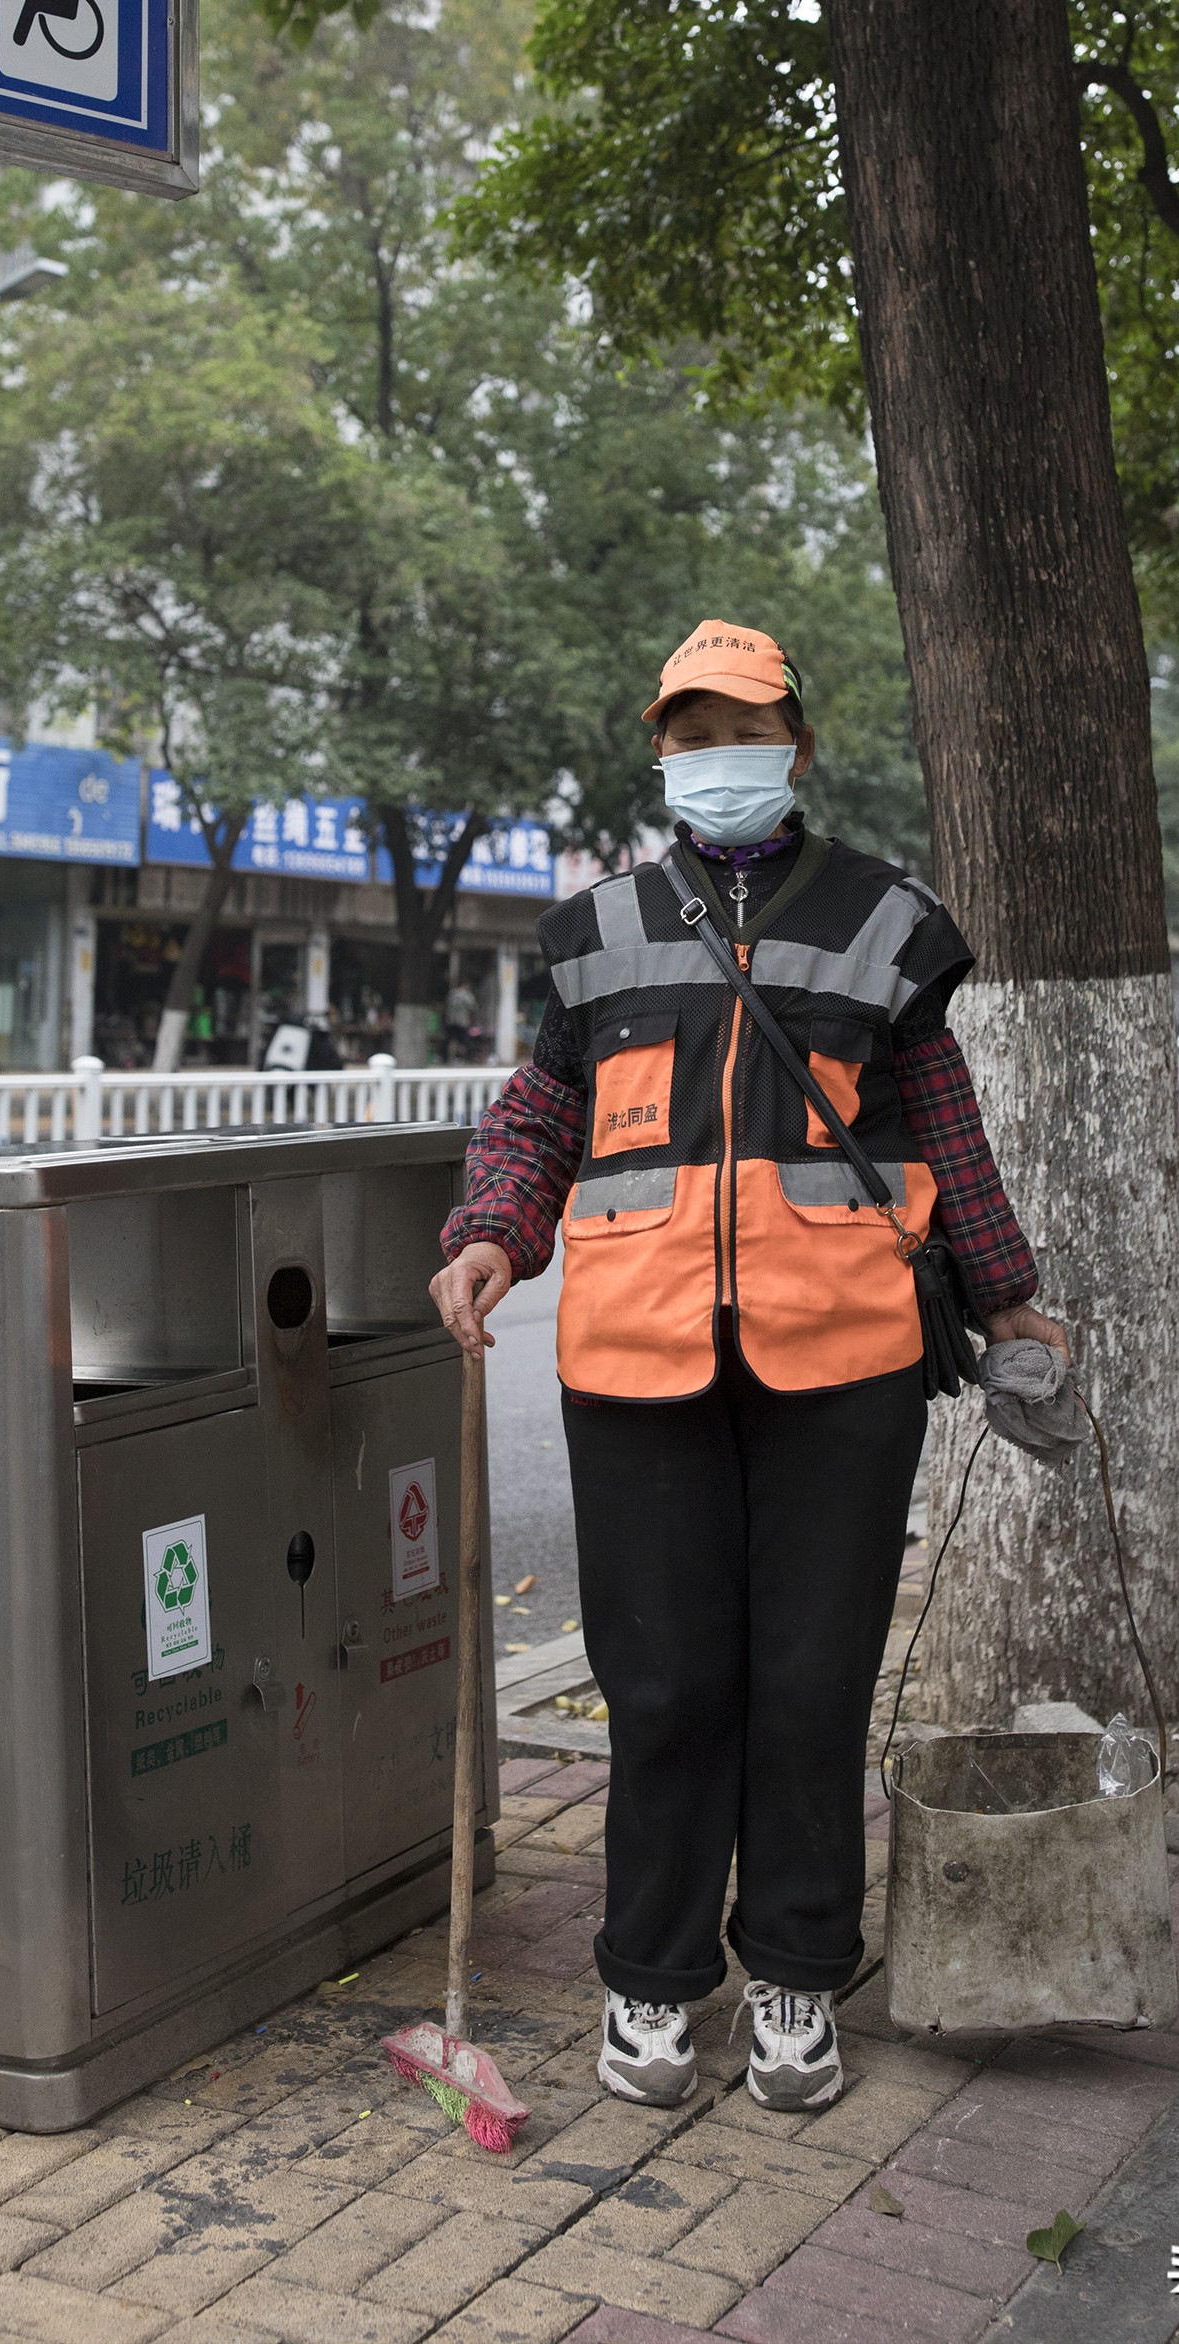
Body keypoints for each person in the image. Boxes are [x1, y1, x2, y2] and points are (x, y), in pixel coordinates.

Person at [430, 619, 1068, 2117]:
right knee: (660, 1685)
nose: (722, 752)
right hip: (637, 1358)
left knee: (808, 1680)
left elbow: (941, 1128)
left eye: (748, 724)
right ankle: (651, 1984)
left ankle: (794, 1973)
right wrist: (489, 1237)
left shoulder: (886, 923)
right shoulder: (592, 933)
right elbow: (542, 1119)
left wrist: (1012, 1298)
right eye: (694, 727)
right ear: (662, 748)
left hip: (840, 1366)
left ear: (796, 742)